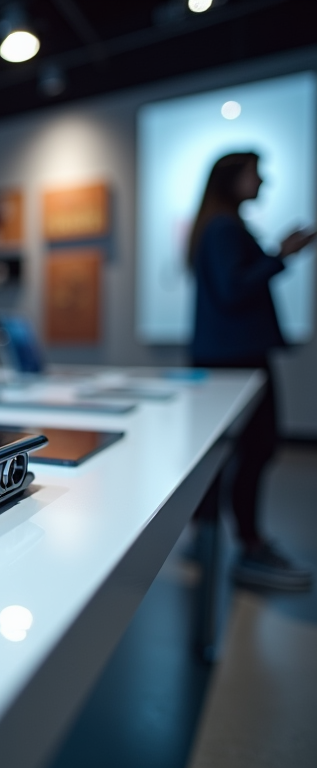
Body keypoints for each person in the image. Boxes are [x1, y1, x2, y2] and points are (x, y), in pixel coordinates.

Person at [188, 151, 315, 591]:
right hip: (236, 355)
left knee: (226, 451)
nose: (263, 182)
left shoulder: (218, 226)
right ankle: (250, 545)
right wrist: (281, 254)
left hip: (227, 353)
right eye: (255, 175)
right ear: (231, 180)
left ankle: (211, 534)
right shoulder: (224, 228)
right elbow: (233, 288)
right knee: (256, 448)